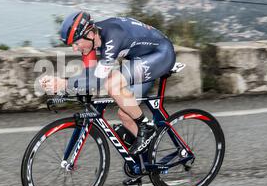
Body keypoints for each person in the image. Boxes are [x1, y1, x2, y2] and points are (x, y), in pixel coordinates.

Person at [40, 11, 176, 161]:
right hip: (140, 59)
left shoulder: (112, 37)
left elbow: (98, 80)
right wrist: (63, 89)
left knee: (112, 84)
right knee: (126, 113)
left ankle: (147, 127)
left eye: (76, 43)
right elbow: (89, 77)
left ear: (90, 35)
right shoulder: (90, 43)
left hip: (161, 54)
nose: (74, 48)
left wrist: (63, 83)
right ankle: (147, 164)